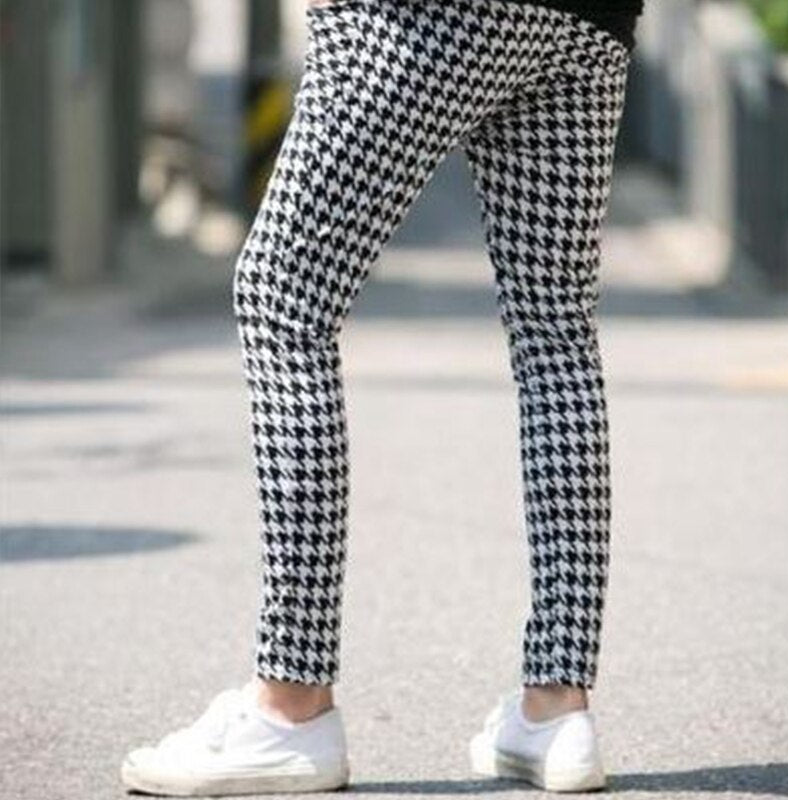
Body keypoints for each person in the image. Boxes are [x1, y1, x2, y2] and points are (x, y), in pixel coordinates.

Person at [121, 0, 644, 794]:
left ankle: (290, 703)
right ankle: (556, 706)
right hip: (588, 20)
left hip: (424, 16)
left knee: (284, 295)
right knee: (556, 330)